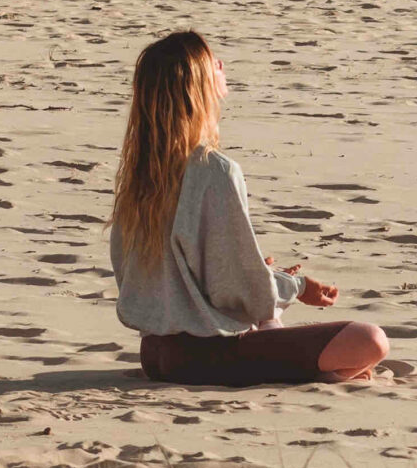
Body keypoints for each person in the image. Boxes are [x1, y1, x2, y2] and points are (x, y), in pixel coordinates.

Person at [109, 30, 389, 384]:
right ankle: (321, 375)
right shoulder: (214, 170)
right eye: (214, 64)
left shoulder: (138, 178)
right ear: (197, 86)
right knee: (369, 341)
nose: (222, 66)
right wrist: (296, 286)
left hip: (155, 354)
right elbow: (240, 292)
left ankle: (316, 372)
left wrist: (262, 272)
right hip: (210, 354)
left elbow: (148, 280)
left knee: (278, 325)